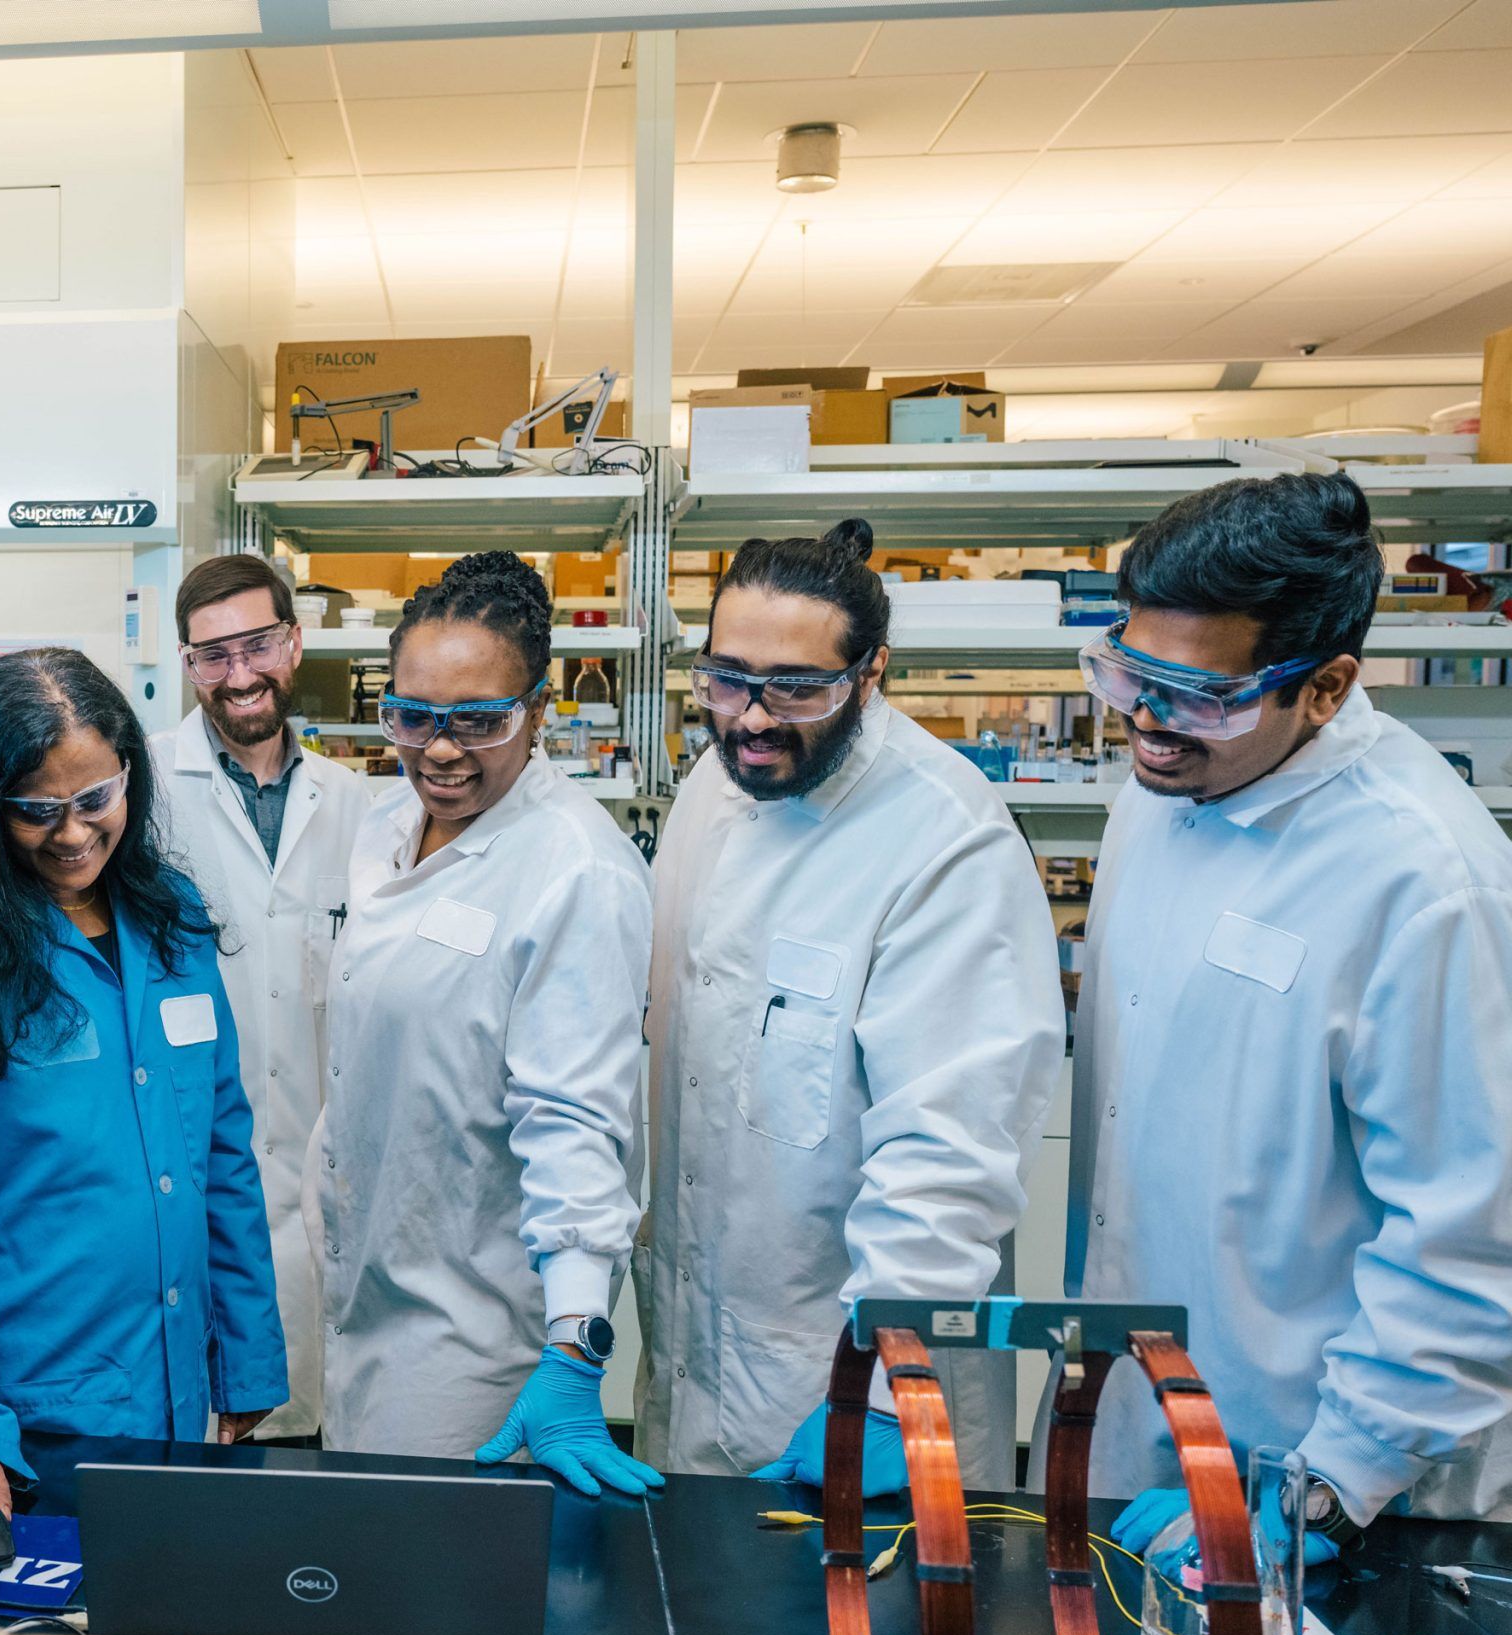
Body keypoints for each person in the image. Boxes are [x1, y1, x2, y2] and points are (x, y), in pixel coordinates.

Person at [1061, 472, 1512, 1551]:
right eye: (1128, 675)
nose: (1150, 725)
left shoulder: (1425, 882)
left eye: (1202, 696)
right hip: (1147, 1429)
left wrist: (1332, 1476)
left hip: (1333, 1489)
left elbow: (1473, 1232)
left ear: (1327, 685)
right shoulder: (1159, 791)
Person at [635, 520, 1064, 1497]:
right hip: (697, 1357)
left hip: (850, 1374)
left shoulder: (943, 842)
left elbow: (947, 1158)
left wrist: (877, 1393)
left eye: (796, 687)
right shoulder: (716, 782)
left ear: (871, 675)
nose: (750, 717)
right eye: (726, 678)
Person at [0, 647, 286, 1532]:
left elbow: (223, 1154)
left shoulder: (171, 920)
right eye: (38, 811)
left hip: (173, 1395)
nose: (76, 832)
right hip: (29, 1421)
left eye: (97, 799)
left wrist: (246, 1358)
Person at [316, 551, 660, 1498]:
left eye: (479, 719)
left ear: (540, 710)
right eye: (413, 716)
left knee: (439, 1619)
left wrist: (576, 1346)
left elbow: (576, 1119)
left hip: (476, 1337)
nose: (440, 749)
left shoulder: (574, 870)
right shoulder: (389, 820)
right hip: (367, 1294)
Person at [148, 552, 368, 1441]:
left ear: (294, 641)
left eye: (258, 645)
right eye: (212, 655)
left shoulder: (358, 806)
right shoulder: (145, 791)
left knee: (317, 1454)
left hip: (321, 1184)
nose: (239, 675)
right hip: (190, 1176)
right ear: (186, 662)